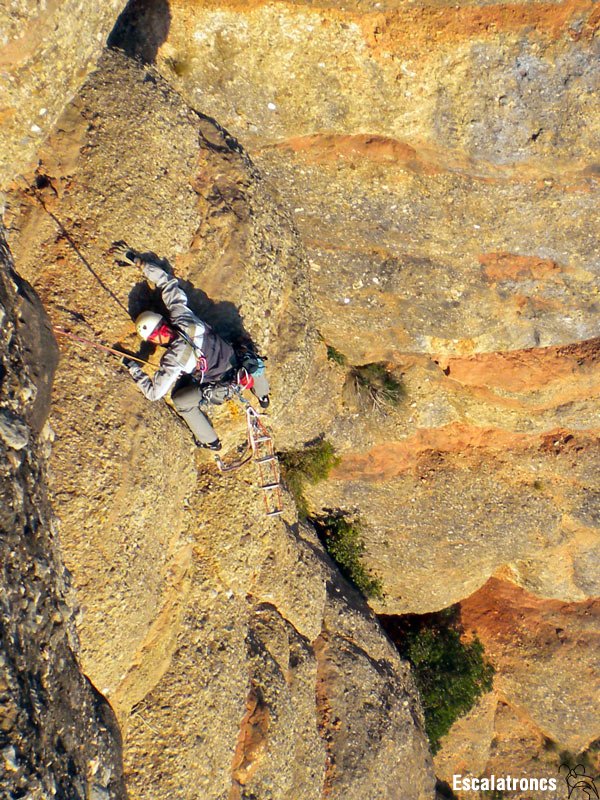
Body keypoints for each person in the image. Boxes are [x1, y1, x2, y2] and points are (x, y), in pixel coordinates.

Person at [113, 244, 270, 450]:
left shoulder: (174, 358)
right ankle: (263, 395)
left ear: (152, 340)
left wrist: (132, 366)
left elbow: (153, 394)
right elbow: (166, 282)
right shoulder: (181, 315)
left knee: (182, 401)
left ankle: (211, 441)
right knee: (249, 357)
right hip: (239, 364)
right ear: (162, 319)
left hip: (222, 386)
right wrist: (137, 260)